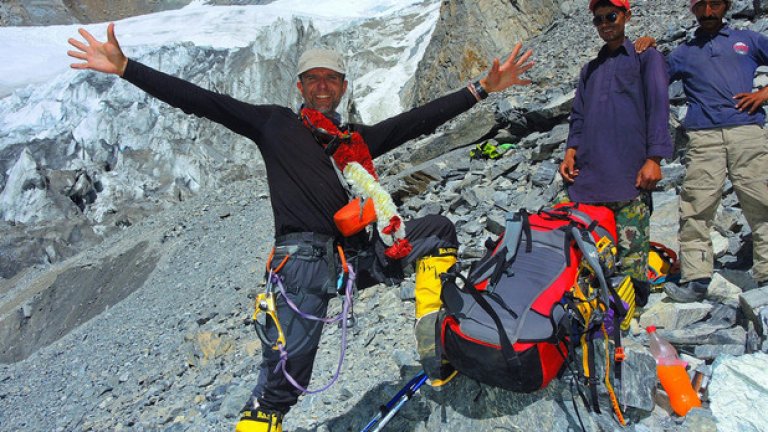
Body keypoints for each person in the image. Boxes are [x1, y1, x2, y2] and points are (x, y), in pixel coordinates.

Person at [67, 23, 534, 432]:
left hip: (356, 257)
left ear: (344, 86)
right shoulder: (273, 124)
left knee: (437, 230)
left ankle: (435, 339)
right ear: (301, 87)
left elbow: (415, 123)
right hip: (302, 265)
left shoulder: (355, 140)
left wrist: (482, 89)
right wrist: (128, 67)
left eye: (332, 78)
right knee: (280, 387)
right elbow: (203, 102)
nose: (323, 86)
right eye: (314, 79)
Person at [558, 0, 673, 312]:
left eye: (611, 16)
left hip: (629, 174)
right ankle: (592, 308)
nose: (605, 23)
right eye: (599, 20)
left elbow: (659, 105)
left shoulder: (646, 57)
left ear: (626, 17)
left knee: (632, 252)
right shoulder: (590, 70)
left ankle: (631, 311)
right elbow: (578, 116)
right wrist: (570, 152)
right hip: (589, 176)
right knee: (591, 249)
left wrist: (655, 159)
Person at [648, 0, 768, 301]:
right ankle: (697, 278)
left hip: (747, 132)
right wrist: (649, 51)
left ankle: (767, 275)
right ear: (693, 10)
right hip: (703, 138)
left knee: (762, 201)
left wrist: (765, 93)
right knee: (696, 207)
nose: (708, 12)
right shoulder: (683, 53)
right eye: (701, 6)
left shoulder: (748, 40)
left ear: (725, 6)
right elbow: (651, 79)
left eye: (715, 4)